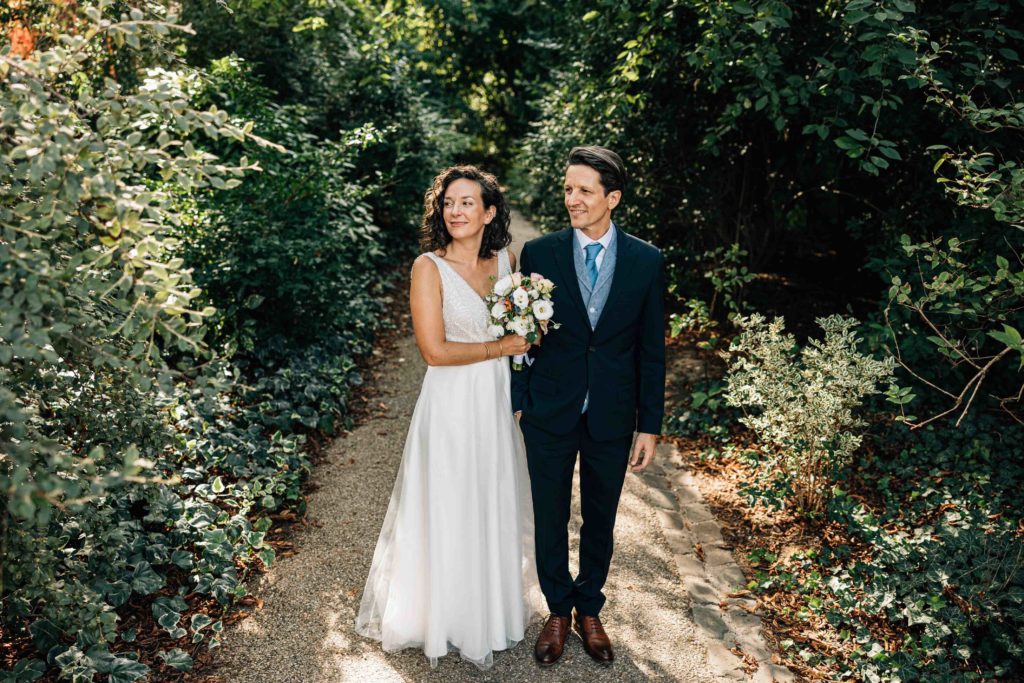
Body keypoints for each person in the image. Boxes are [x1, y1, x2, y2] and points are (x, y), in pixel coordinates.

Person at [354, 165, 543, 670]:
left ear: (490, 211)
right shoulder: (427, 267)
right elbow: (434, 351)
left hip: (497, 400)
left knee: (492, 492)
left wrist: (527, 344)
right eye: (448, 203)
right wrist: (500, 346)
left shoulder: (507, 260)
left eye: (467, 203)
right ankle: (444, 616)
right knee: (450, 498)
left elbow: (525, 328)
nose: (456, 211)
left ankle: (492, 609)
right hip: (452, 403)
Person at [511, 145, 666, 667]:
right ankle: (558, 609)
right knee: (549, 514)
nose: (572, 199)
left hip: (613, 413)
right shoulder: (540, 253)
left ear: (612, 198)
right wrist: (519, 400)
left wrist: (650, 425)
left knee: (601, 516)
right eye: (568, 189)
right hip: (549, 409)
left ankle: (589, 607)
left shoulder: (647, 261)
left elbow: (651, 348)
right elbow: (522, 338)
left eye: (584, 191)